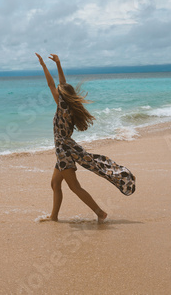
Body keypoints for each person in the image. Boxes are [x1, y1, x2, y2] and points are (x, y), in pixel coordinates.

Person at [35, 53, 136, 223]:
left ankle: (100, 213)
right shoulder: (69, 106)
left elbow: (52, 84)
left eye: (59, 93)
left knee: (74, 187)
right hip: (65, 148)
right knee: (55, 184)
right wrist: (58, 64)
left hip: (64, 151)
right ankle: (54, 217)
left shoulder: (63, 107)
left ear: (62, 97)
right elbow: (61, 84)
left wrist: (44, 66)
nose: (57, 92)